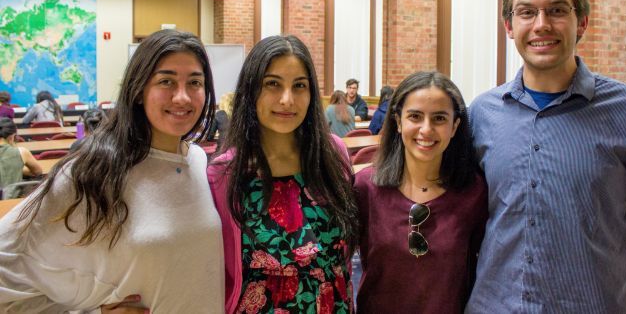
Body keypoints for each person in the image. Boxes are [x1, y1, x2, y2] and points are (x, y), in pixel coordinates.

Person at [466, 0, 626, 312]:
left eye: (557, 11)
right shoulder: (481, 114)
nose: (541, 25)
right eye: (526, 12)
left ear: (581, 22)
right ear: (509, 26)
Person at [0, 30, 225, 312]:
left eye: (194, 82)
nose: (182, 97)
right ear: (139, 90)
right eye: (166, 81)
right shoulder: (94, 172)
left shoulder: (198, 161)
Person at [208, 34, 358, 313]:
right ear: (251, 91)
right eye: (272, 84)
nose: (287, 99)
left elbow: (343, 259)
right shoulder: (226, 172)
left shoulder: (334, 155)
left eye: (299, 86)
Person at [355, 71, 487, 312]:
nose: (426, 129)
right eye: (415, 116)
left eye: (439, 118)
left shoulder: (474, 192)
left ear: (455, 126)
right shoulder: (365, 188)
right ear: (398, 121)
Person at [0, 117, 43, 199]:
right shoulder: (22, 152)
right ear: (12, 136)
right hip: (13, 202)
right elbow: (38, 172)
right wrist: (16, 167)